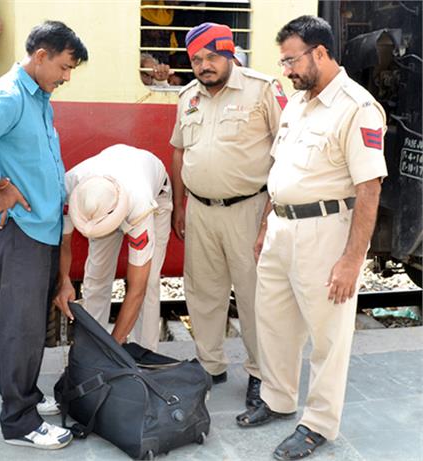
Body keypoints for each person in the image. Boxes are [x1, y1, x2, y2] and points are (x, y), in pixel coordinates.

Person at [235, 16, 387, 461]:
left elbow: (369, 189)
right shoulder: (298, 103)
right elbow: (279, 173)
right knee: (275, 324)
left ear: (320, 52)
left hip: (325, 232)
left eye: (291, 60)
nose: (286, 70)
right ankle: (278, 399)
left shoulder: (357, 107)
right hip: (281, 227)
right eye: (282, 61)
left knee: (327, 336)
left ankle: (317, 424)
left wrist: (350, 260)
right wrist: (266, 225)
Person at [0, 21, 88, 450]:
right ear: (40, 56)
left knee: (27, 323)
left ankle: (22, 395)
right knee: (20, 327)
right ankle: (19, 421)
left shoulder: (38, 97)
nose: (66, 77)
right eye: (64, 67)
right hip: (21, 229)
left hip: (39, 226)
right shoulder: (8, 95)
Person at [169, 23, 286, 408]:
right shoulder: (187, 96)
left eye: (211, 57)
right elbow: (179, 152)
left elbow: (287, 152)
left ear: (230, 53)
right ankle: (210, 364)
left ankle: (259, 372)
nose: (204, 66)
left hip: (249, 210)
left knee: (255, 296)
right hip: (200, 210)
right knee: (202, 292)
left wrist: (272, 213)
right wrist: (181, 206)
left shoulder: (263, 89)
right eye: (196, 59)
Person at [54, 144, 172, 351]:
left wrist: (113, 349)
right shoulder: (71, 187)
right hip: (108, 195)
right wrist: (63, 280)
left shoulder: (141, 206)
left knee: (150, 280)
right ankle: (91, 349)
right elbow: (63, 243)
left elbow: (137, 288)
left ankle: (143, 354)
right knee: (96, 276)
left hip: (155, 196)